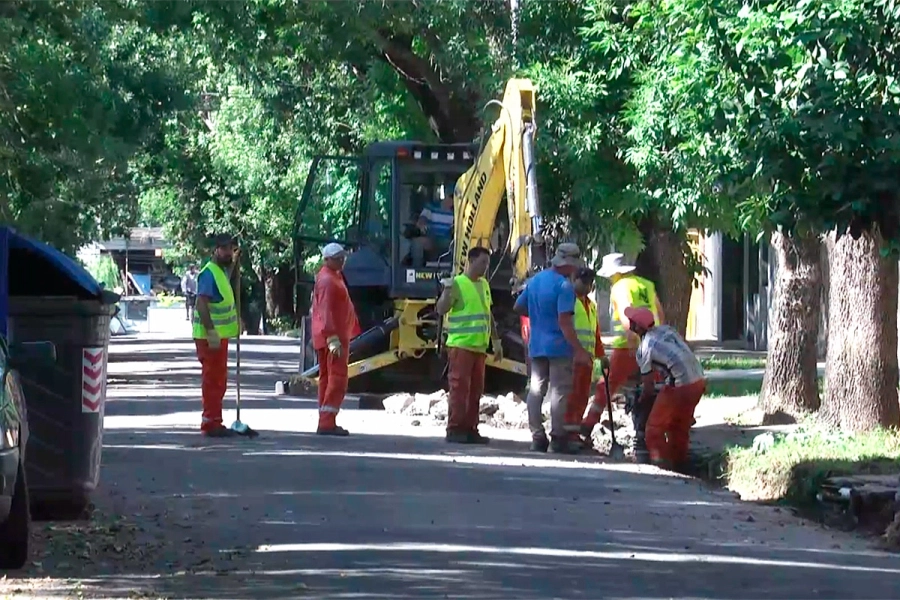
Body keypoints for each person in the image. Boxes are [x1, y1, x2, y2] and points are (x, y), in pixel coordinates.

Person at [514, 243, 592, 454]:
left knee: (536, 389)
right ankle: (558, 438)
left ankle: (537, 437)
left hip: (537, 344)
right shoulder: (564, 287)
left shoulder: (535, 281)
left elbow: (519, 306)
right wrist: (579, 350)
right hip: (559, 347)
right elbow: (565, 322)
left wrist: (539, 317)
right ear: (569, 265)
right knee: (559, 391)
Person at [581, 252, 665, 435]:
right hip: (654, 343)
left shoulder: (619, 287)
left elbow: (627, 313)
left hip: (628, 346)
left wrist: (633, 339)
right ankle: (658, 424)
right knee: (657, 384)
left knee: (607, 386)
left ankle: (587, 425)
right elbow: (659, 311)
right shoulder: (646, 284)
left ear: (614, 273)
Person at [623, 306, 706, 469]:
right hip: (699, 381)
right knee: (679, 427)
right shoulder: (667, 330)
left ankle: (661, 465)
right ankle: (679, 464)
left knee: (654, 428)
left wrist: (640, 402)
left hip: (680, 386)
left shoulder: (645, 348)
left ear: (637, 327)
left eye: (632, 322)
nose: (629, 324)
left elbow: (647, 387)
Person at [436, 246, 502, 445]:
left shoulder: (483, 285)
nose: (485, 267)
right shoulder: (457, 283)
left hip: (478, 347)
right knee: (459, 389)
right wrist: (447, 291)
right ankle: (455, 428)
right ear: (470, 261)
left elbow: (487, 313)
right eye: (483, 262)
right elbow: (441, 309)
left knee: (475, 390)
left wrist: (496, 341)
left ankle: (471, 428)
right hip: (461, 346)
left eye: (487, 263)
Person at [192, 234, 240, 437]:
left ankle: (214, 420)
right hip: (209, 337)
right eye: (224, 248)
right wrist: (210, 330)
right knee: (213, 380)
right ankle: (210, 423)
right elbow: (201, 303)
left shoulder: (220, 272)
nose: (228, 252)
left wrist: (236, 263)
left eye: (230, 248)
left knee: (218, 380)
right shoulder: (209, 273)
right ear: (215, 250)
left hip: (218, 336)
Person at [311, 242, 360, 436]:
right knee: (336, 378)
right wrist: (331, 337)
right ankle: (327, 421)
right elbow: (325, 310)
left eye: (343, 257)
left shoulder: (332, 277)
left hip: (333, 337)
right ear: (328, 259)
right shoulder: (328, 281)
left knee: (327, 378)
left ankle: (326, 419)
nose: (342, 261)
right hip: (334, 338)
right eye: (339, 258)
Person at [563, 267, 608, 447]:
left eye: (590, 283)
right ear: (575, 280)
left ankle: (574, 433)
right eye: (584, 282)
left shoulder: (591, 305)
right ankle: (566, 434)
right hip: (572, 358)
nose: (588, 286)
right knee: (571, 396)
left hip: (587, 360)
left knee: (582, 396)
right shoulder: (569, 302)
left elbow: (595, 334)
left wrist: (601, 356)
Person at [411, 187, 454, 267]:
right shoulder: (431, 207)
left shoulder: (456, 212)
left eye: (454, 197)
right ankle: (415, 271)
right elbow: (421, 220)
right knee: (417, 243)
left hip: (449, 241)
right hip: (431, 238)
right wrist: (422, 225)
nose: (452, 200)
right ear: (446, 196)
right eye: (451, 197)